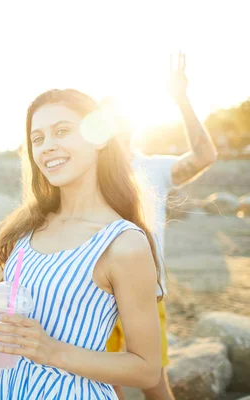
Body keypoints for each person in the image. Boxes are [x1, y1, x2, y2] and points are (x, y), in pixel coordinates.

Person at [0, 89, 163, 399]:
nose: (48, 146)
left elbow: (146, 368)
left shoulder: (123, 243)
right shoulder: (27, 228)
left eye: (62, 131)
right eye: (37, 139)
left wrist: (50, 350)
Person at [103, 53, 218, 400]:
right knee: (106, 386)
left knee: (155, 385)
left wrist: (181, 100)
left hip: (146, 294)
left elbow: (204, 157)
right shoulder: (85, 175)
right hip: (94, 295)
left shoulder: (153, 169)